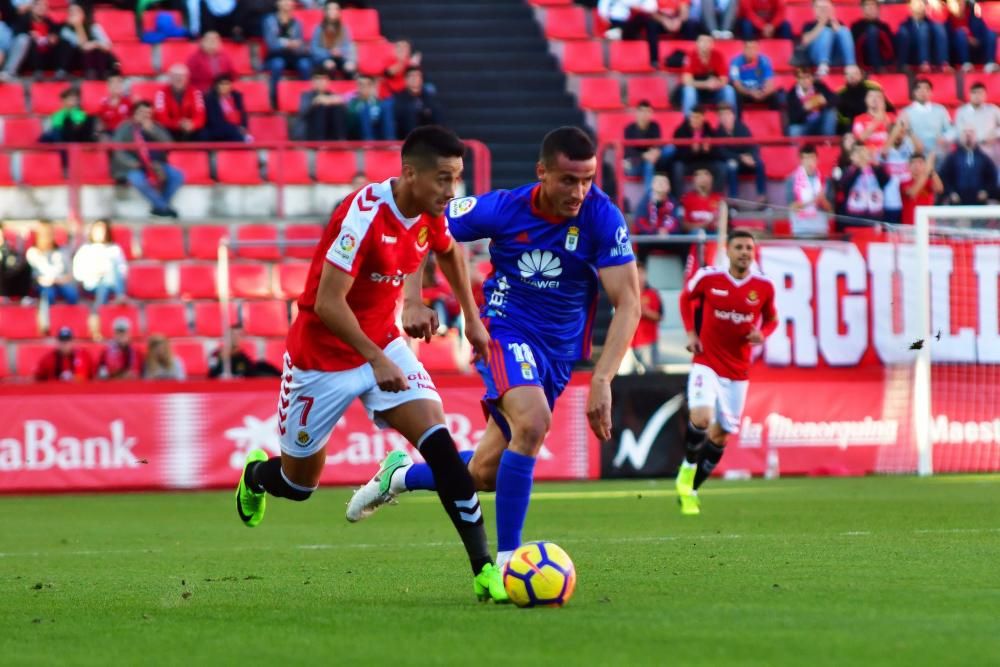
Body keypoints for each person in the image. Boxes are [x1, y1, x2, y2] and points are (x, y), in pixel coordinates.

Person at [232, 126, 510, 603]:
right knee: (299, 486)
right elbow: (328, 303)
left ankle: (484, 570)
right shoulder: (361, 217)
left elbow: (445, 250)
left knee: (443, 452)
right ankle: (256, 476)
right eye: (443, 179)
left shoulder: (429, 211)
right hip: (320, 359)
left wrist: (469, 317)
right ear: (409, 174)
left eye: (457, 179)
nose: (451, 191)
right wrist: (375, 358)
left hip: (383, 343)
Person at [345, 127, 641, 575]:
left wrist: (602, 378)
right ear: (541, 172)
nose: (579, 192)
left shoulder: (602, 217)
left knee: (484, 473)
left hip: (558, 356)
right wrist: (412, 297)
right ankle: (510, 563)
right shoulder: (504, 207)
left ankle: (401, 476)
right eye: (567, 180)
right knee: (534, 421)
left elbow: (630, 302)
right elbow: (428, 221)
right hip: (504, 329)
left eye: (587, 180)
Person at [675, 229, 777, 515]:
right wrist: (691, 333)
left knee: (721, 436)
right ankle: (687, 467)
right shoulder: (709, 278)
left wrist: (763, 333)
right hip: (706, 362)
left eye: (749, 247)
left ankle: (691, 489)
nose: (745, 252)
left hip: (738, 372)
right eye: (739, 247)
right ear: (728, 251)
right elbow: (685, 298)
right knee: (702, 418)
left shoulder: (764, 287)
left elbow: (772, 318)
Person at [111, 101, 184, 218]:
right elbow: (117, 150)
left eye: (148, 113)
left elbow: (168, 144)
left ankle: (159, 207)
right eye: (142, 112)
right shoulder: (125, 127)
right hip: (135, 166)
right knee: (137, 180)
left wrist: (152, 130)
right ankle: (163, 208)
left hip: (157, 164)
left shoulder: (155, 126)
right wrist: (133, 163)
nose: (145, 115)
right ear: (134, 113)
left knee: (177, 176)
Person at [715, 103, 766, 204]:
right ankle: (734, 199)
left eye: (727, 114)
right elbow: (722, 152)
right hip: (733, 161)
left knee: (759, 163)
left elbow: (753, 146)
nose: (725, 118)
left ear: (733, 116)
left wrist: (752, 157)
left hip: (746, 161)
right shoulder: (718, 133)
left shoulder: (742, 128)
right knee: (731, 166)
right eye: (722, 115)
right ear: (719, 118)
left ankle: (762, 196)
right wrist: (740, 157)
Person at [263, 0, 312, 105]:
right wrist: (287, 43)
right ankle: (274, 97)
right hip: (275, 55)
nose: (287, 3)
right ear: (277, 3)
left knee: (305, 64)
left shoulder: (297, 23)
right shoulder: (269, 21)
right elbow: (271, 44)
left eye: (289, 1)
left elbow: (300, 45)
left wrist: (297, 45)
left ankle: (308, 99)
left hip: (293, 56)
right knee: (277, 64)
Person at [677, 33, 737, 116]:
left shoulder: (718, 56)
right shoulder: (690, 56)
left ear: (712, 44)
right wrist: (706, 84)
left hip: (713, 92)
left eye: (708, 41)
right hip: (696, 92)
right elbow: (686, 81)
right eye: (702, 41)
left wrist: (715, 84)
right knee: (689, 91)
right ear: (697, 43)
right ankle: (689, 123)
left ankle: (732, 122)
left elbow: (724, 80)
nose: (705, 44)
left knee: (728, 90)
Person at [2, 0, 65, 79]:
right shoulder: (24, 19)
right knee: (24, 39)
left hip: (46, 56)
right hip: (28, 58)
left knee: (63, 42)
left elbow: (56, 33)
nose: (41, 8)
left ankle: (61, 71)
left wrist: (54, 38)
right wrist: (30, 35)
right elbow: (16, 35)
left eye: (44, 6)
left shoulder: (49, 22)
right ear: (32, 8)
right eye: (38, 6)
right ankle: (10, 72)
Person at [72, 219, 127, 306]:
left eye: (103, 231)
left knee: (112, 266)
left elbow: (122, 270)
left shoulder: (114, 249)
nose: (101, 233)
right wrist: (94, 273)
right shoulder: (85, 249)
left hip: (112, 283)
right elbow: (78, 273)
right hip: (91, 284)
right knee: (103, 286)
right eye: (98, 231)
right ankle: (101, 310)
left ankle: (118, 296)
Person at [671, 105, 723, 196]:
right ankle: (679, 199)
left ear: (703, 117)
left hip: (705, 162)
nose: (694, 120)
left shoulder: (710, 131)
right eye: (692, 117)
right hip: (689, 163)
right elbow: (678, 155)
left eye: (697, 117)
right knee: (677, 167)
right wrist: (692, 151)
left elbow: (717, 153)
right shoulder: (680, 131)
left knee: (722, 168)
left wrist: (708, 150)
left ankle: (715, 198)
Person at [834, 143, 891, 226]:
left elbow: (885, 181)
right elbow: (845, 187)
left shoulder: (875, 168)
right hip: (854, 215)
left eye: (863, 152)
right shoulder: (848, 170)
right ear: (852, 156)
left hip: (874, 214)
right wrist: (859, 168)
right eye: (858, 153)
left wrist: (875, 163)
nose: (861, 156)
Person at [939, 128, 999, 205]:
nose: (968, 135)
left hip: (978, 203)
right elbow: (944, 177)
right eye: (965, 132)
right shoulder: (952, 158)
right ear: (961, 137)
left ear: (976, 136)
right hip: (957, 203)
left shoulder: (984, 158)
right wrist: (951, 192)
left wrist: (986, 191)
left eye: (971, 132)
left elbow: (992, 178)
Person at [598, 0, 667, 68]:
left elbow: (652, 8)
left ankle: (654, 60)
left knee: (651, 22)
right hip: (618, 23)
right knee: (647, 19)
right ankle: (617, 33)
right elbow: (603, 13)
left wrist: (637, 8)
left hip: (635, 24)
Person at [900, 78, 955, 159]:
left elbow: (951, 130)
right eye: (919, 88)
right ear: (914, 92)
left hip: (937, 152)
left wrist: (945, 138)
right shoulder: (905, 112)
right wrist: (913, 144)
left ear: (931, 93)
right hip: (914, 154)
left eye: (926, 89)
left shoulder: (940, 110)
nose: (923, 91)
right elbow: (902, 134)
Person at [26, 220, 78, 305]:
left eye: (50, 233)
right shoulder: (33, 252)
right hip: (43, 284)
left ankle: (69, 317)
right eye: (44, 234)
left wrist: (58, 280)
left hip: (61, 282)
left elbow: (69, 273)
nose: (47, 237)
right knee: (48, 294)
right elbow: (35, 276)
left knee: (71, 294)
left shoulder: (62, 251)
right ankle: (47, 317)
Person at [59, 3, 116, 79]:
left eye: (76, 11)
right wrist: (78, 26)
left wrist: (96, 44)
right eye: (71, 12)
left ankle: (102, 75)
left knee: (99, 51)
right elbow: (82, 46)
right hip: (77, 64)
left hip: (97, 62)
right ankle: (90, 74)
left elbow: (108, 45)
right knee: (87, 52)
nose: (73, 14)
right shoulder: (65, 30)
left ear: (83, 13)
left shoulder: (93, 26)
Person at [799, 0, 856, 76]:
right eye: (820, 7)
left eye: (825, 7)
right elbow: (805, 41)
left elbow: (844, 39)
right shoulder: (809, 25)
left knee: (844, 30)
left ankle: (850, 65)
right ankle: (823, 65)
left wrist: (834, 24)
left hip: (836, 57)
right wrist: (821, 23)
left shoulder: (838, 23)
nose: (823, 10)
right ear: (814, 9)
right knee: (826, 31)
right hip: (815, 57)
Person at [787, 144, 832, 236]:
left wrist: (823, 200)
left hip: (820, 228)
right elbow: (792, 207)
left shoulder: (825, 180)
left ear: (817, 159)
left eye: (811, 158)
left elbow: (831, 210)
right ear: (801, 161)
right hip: (800, 229)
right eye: (805, 158)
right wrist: (814, 200)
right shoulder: (792, 180)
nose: (809, 162)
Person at [154, 63, 206, 142]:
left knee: (204, 134)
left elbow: (200, 116)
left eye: (182, 76)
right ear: (170, 78)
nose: (179, 79)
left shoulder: (195, 92)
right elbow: (161, 118)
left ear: (187, 78)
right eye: (175, 76)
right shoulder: (161, 93)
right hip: (170, 129)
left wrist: (192, 124)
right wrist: (178, 124)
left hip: (191, 129)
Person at [296, 67, 348, 140]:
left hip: (330, 132)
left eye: (323, 79)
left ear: (328, 81)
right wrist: (316, 101)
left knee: (338, 107)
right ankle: (320, 142)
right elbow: (303, 113)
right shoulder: (306, 95)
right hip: (311, 132)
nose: (320, 82)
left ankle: (340, 140)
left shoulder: (333, 95)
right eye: (317, 79)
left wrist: (330, 100)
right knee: (320, 107)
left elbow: (343, 105)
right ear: (312, 81)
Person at [946, 0, 999, 72]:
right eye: (957, 2)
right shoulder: (947, 17)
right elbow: (949, 38)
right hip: (957, 48)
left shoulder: (972, 13)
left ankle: (990, 63)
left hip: (975, 44)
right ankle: (966, 65)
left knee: (991, 33)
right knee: (960, 34)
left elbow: (981, 29)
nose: (960, 4)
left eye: (961, 2)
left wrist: (976, 38)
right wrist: (967, 38)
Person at [896, 0, 949, 71]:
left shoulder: (934, 27)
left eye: (922, 2)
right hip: (910, 59)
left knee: (932, 27)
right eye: (916, 2)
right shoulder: (904, 27)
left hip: (931, 60)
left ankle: (942, 64)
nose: (920, 5)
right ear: (909, 6)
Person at [835, 65, 889, 134]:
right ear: (844, 78)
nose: (852, 77)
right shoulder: (840, 93)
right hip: (850, 126)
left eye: (855, 73)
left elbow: (886, 107)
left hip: (874, 121)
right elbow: (841, 118)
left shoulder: (873, 87)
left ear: (861, 75)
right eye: (848, 74)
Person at [729, 38, 781, 111]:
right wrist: (750, 92)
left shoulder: (764, 61)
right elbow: (736, 84)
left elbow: (769, 82)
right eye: (748, 48)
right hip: (745, 92)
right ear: (743, 49)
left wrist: (764, 93)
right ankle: (738, 120)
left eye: (754, 48)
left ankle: (774, 120)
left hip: (760, 91)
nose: (751, 51)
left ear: (758, 50)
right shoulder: (735, 62)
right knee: (736, 95)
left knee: (775, 95)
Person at [310, 0, 356, 79]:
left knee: (350, 67)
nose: (332, 11)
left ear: (339, 12)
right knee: (329, 65)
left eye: (335, 9)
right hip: (324, 58)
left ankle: (348, 90)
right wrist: (329, 53)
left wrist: (340, 51)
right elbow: (314, 49)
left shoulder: (344, 28)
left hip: (341, 58)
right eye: (330, 9)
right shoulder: (319, 28)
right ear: (325, 12)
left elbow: (348, 47)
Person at [786, 66, 838, 137]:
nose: (805, 81)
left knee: (831, 113)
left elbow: (836, 99)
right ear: (797, 79)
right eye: (802, 78)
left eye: (808, 77)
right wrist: (805, 109)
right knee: (794, 130)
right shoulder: (792, 94)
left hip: (820, 122)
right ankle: (796, 148)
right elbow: (792, 118)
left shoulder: (819, 87)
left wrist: (825, 102)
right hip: (804, 125)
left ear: (812, 78)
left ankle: (828, 143)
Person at [393, 68, 443, 139]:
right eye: (411, 76)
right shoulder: (399, 98)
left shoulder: (428, 97)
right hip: (406, 137)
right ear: (405, 80)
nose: (414, 79)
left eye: (417, 76)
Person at [624, 100, 663, 190]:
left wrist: (656, 151)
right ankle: (649, 199)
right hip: (635, 163)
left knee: (670, 149)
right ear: (637, 113)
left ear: (651, 113)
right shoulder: (629, 129)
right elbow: (629, 152)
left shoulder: (655, 126)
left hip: (653, 159)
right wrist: (644, 155)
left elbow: (658, 144)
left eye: (648, 111)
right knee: (648, 165)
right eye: (642, 111)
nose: (645, 114)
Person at [631, 261, 662, 372]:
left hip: (648, 341)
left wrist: (645, 312)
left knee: (650, 373)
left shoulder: (653, 294)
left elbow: (659, 316)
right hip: (629, 342)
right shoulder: (627, 294)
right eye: (636, 273)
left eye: (641, 273)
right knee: (629, 376)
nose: (638, 276)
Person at [954, 83, 1000, 154]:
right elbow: (958, 130)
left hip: (990, 146)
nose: (977, 96)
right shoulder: (962, 111)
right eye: (974, 93)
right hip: (969, 147)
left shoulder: (993, 109)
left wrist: (995, 134)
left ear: (985, 95)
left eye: (980, 93)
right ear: (969, 95)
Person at [345, 74, 395, 140]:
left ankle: (390, 142)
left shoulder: (380, 103)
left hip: (378, 132)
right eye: (361, 84)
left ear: (372, 87)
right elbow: (350, 122)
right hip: (358, 133)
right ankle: (369, 144)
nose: (364, 87)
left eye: (368, 84)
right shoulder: (352, 103)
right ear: (357, 86)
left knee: (387, 108)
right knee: (365, 110)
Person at [202, 74, 249, 142]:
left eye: (227, 84)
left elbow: (243, 115)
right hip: (218, 131)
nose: (224, 86)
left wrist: (243, 127)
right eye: (221, 84)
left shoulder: (236, 97)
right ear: (216, 86)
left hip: (235, 130)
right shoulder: (210, 99)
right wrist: (234, 128)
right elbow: (214, 122)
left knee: (241, 135)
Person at [632, 172, 682, 236]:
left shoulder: (673, 203)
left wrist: (666, 231)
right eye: (657, 181)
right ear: (652, 185)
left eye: (664, 182)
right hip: (649, 239)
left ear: (669, 187)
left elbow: (677, 224)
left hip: (669, 239)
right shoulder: (644, 203)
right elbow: (640, 224)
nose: (660, 184)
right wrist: (656, 232)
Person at [851, 0, 895, 71]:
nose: (871, 8)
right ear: (862, 9)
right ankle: (876, 67)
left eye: (873, 5)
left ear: (878, 9)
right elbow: (855, 47)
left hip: (883, 60)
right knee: (872, 30)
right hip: (864, 59)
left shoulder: (884, 26)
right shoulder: (856, 26)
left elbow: (890, 48)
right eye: (867, 5)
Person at [900, 152, 943, 225]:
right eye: (913, 163)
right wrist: (926, 172)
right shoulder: (904, 183)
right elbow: (912, 193)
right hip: (909, 226)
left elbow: (940, 189)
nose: (916, 166)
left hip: (927, 225)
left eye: (920, 163)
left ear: (924, 165)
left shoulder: (929, 182)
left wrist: (932, 172)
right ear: (909, 166)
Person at [851, 88, 895, 158]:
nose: (874, 99)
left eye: (878, 97)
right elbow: (860, 140)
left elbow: (896, 138)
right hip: (868, 157)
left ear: (884, 101)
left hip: (890, 156)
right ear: (865, 100)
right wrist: (878, 120)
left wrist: (884, 116)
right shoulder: (859, 119)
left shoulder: (892, 117)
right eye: (871, 96)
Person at [680, 167, 727, 231]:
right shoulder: (686, 199)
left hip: (714, 235)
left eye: (706, 174)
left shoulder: (720, 198)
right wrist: (704, 225)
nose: (702, 177)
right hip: (694, 236)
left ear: (712, 178)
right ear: (693, 179)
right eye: (698, 175)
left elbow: (724, 223)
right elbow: (684, 225)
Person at [0, 224, 32, 300]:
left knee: (26, 267)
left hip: (8, 281)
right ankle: (2, 296)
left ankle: (24, 297)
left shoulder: (7, 248)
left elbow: (13, 263)